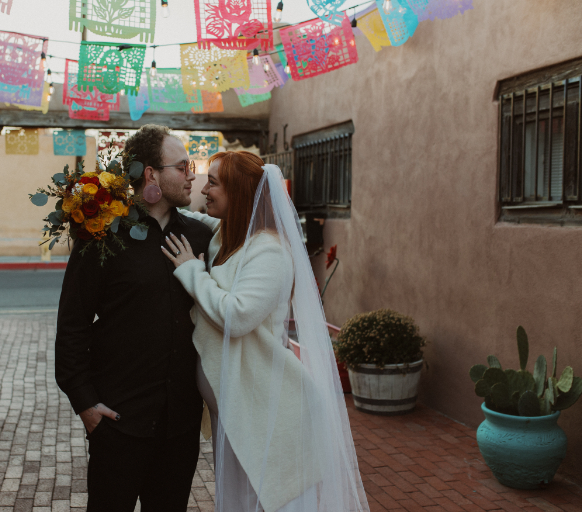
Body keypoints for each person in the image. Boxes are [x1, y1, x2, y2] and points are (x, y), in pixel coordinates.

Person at [162, 151, 370, 512]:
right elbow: (186, 215)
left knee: (274, 501)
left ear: (240, 193)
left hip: (272, 413)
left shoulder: (269, 251)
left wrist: (192, 272)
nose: (204, 190)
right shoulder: (225, 235)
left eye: (213, 182)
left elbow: (237, 315)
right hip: (239, 411)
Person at [55, 125, 213, 512]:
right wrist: (86, 403)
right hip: (119, 421)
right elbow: (72, 324)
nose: (192, 173)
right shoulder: (103, 236)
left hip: (179, 424)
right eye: (183, 166)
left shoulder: (200, 235)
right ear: (151, 174)